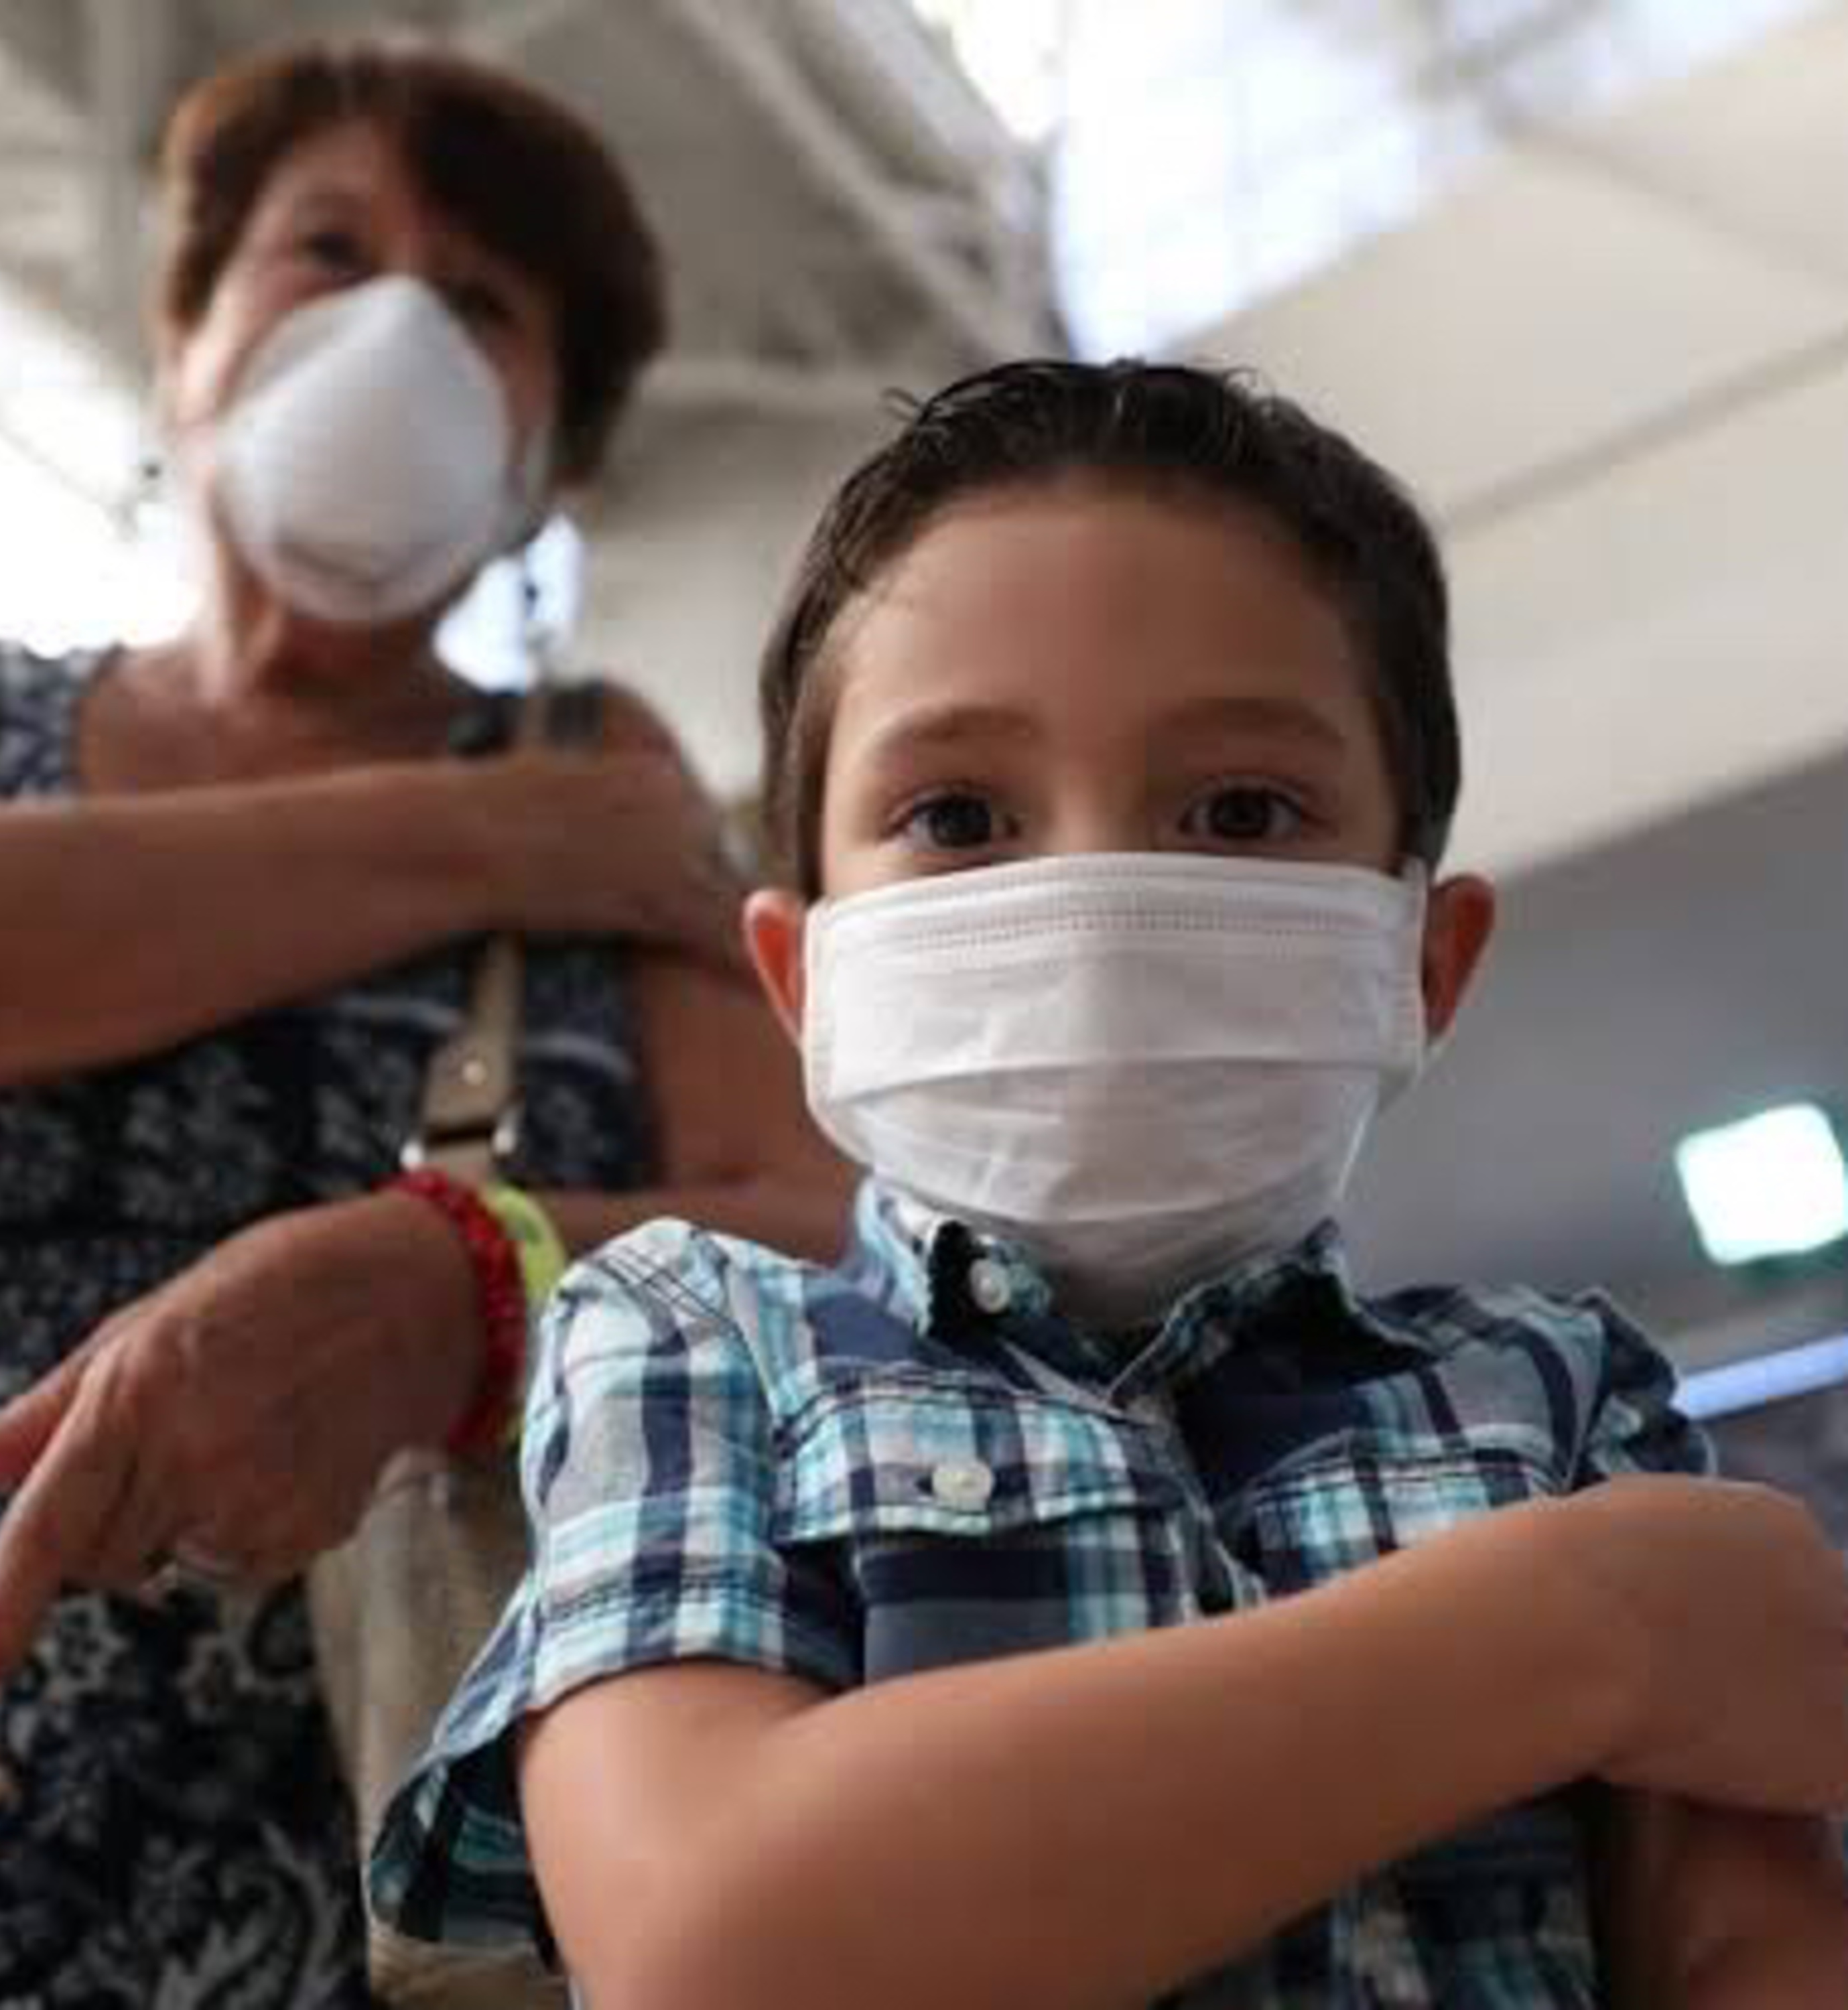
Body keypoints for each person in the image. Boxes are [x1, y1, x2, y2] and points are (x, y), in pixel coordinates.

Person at [367, 360, 1848, 2008]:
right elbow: (717, 1940)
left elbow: (1751, 1948)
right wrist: (1584, 1625)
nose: (1096, 904)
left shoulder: (1559, 1392)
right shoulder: (695, 1341)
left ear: (1424, 962)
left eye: (1240, 810)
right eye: (958, 815)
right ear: (804, 980)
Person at [0, 38, 848, 2008]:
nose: (397, 327)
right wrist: (484, 838)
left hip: (377, 1889)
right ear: (185, 342)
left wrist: (469, 1281)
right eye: (326, 249)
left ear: (548, 466)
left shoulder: (605, 758)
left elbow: (835, 1245)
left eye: (481, 305)